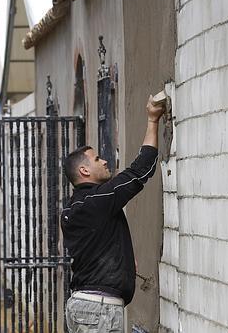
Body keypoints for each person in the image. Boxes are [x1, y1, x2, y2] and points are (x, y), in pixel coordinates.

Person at [61, 95, 165, 332]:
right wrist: (152, 120)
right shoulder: (97, 202)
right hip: (98, 310)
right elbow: (140, 171)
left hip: (82, 307)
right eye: (97, 158)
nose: (105, 161)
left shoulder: (73, 208)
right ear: (85, 170)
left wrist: (124, 260)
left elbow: (98, 244)